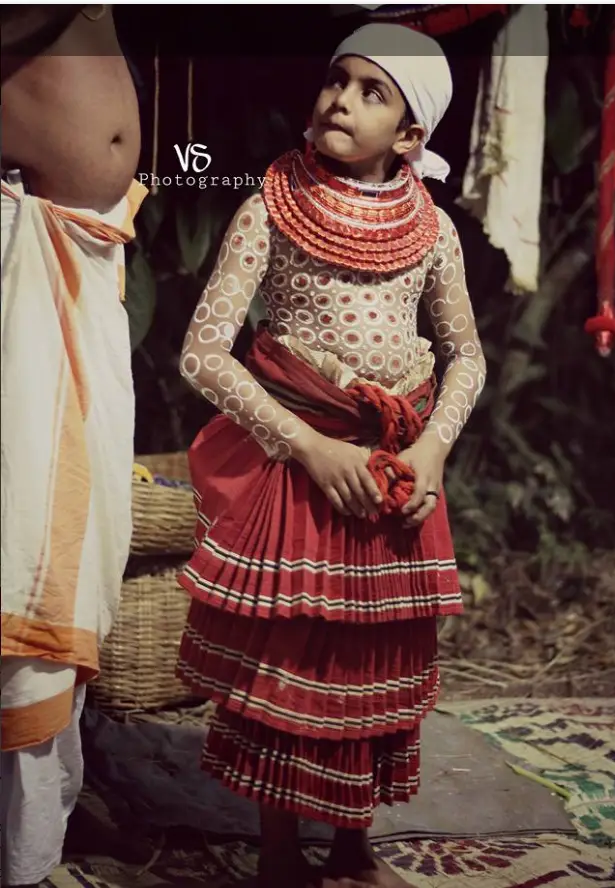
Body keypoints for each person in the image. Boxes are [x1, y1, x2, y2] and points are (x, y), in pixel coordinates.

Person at [176, 23, 486, 888]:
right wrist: (308, 448)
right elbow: (203, 352)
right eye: (335, 80)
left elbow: (468, 356)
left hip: (393, 481)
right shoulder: (268, 204)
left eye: (370, 91)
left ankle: (352, 845)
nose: (340, 99)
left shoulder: (433, 232)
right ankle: (280, 856)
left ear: (413, 136)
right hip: (302, 477)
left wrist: (431, 450)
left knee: (375, 663)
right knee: (292, 666)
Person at [1, 6, 145, 886]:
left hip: (67, 246)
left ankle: (32, 833)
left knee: (70, 541)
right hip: (22, 247)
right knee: (19, 546)